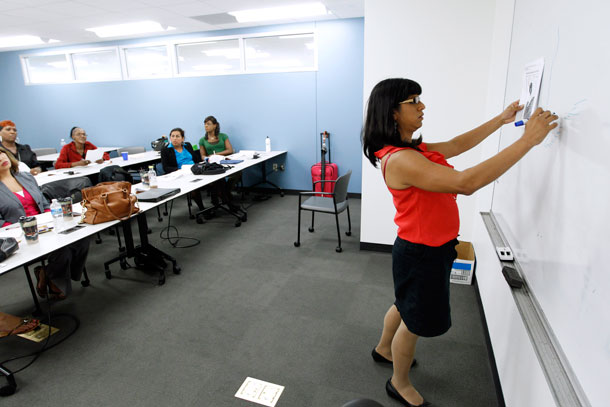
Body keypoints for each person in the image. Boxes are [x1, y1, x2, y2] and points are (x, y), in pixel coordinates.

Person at [362, 78, 557, 407]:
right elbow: (465, 183)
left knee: (404, 303)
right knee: (414, 320)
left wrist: (501, 119)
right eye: (413, 101)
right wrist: (528, 141)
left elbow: (455, 145)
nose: (422, 106)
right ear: (392, 112)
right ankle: (399, 382)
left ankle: (384, 349)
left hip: (420, 248)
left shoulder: (412, 150)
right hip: (422, 253)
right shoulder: (403, 160)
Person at [0, 147, 90, 299]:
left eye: (1, 153)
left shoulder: (26, 177)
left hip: (46, 226)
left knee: (82, 238)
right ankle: (55, 281)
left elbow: (43, 202)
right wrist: (14, 228)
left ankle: (47, 274)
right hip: (22, 235)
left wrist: (50, 218)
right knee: (62, 250)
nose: (1, 158)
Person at [198, 116, 240, 210]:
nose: (206, 126)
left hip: (224, 160)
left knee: (237, 173)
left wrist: (216, 154)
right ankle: (226, 197)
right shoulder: (202, 140)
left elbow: (230, 150)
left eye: (208, 124)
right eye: (205, 124)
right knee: (217, 178)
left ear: (215, 125)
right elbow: (202, 155)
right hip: (213, 164)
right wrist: (207, 158)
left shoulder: (223, 136)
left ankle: (225, 193)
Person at [160, 127, 205, 212]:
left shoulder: (187, 145)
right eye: (172, 136)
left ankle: (220, 203)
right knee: (194, 186)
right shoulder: (165, 150)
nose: (175, 138)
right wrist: (179, 170)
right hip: (181, 174)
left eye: (177, 136)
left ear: (182, 138)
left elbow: (195, 159)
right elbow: (166, 168)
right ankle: (202, 209)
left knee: (216, 180)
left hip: (194, 170)